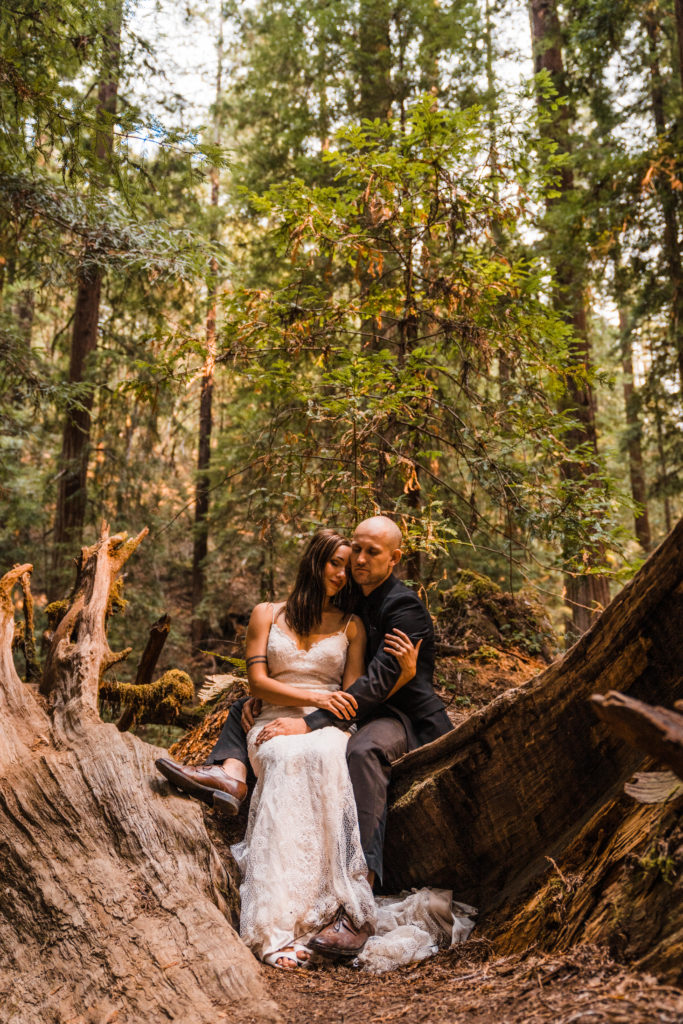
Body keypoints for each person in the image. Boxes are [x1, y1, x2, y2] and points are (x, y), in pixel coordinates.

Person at [156, 515, 454, 961]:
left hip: (401, 715)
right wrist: (271, 700)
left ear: (395, 559)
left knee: (361, 749)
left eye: (373, 552)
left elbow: (374, 683)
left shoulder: (403, 606)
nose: (358, 559)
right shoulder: (349, 594)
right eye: (357, 549)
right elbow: (291, 656)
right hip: (351, 705)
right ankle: (229, 775)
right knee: (243, 706)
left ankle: (358, 897)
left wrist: (310, 721)